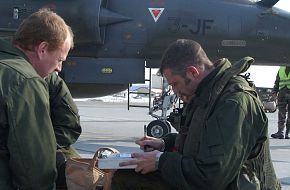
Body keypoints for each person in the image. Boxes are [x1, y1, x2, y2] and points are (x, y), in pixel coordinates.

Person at [111, 39, 280, 190]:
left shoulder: (233, 103)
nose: (175, 91)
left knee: (129, 181)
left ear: (193, 72)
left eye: (175, 84)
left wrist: (160, 161)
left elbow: (211, 177)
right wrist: (165, 144)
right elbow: (203, 141)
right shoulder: (206, 95)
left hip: (228, 183)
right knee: (126, 175)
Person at [0, 9, 74, 189]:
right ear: (42, 49)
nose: (59, 68)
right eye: (59, 59)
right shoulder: (25, 82)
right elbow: (35, 168)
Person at [46, 72, 82, 189]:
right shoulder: (47, 79)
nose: (59, 68)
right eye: (59, 60)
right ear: (41, 52)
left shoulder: (50, 79)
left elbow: (69, 127)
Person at [271, 66, 290, 139]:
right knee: (281, 113)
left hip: (282, 93)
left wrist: (274, 92)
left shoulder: (281, 68)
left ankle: (285, 133)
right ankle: (282, 133)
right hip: (282, 94)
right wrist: (274, 92)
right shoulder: (281, 68)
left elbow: (277, 82)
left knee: (283, 114)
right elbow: (277, 81)